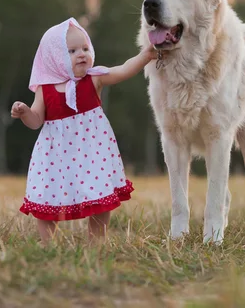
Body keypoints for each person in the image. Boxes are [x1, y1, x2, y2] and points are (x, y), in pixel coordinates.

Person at [11, 17, 157, 245]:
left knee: (99, 196)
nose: (82, 54)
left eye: (85, 48)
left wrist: (145, 56)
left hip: (92, 152)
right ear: (53, 57)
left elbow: (123, 70)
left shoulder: (94, 78)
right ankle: (47, 243)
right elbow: (36, 121)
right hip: (56, 155)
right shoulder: (45, 88)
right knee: (47, 199)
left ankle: (96, 241)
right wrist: (25, 112)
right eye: (71, 50)